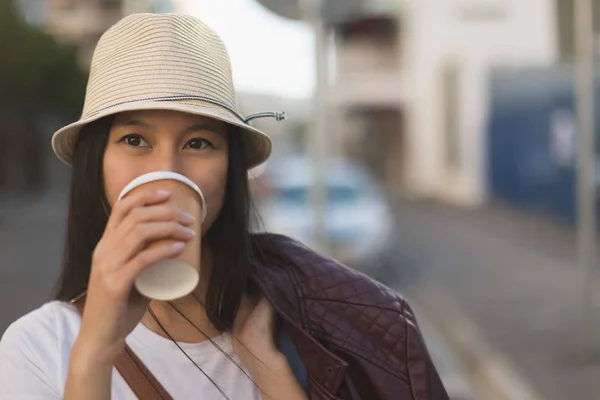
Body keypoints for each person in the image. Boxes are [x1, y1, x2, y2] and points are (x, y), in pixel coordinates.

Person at [0, 13, 448, 400]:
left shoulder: (313, 322)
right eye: (134, 140)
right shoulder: (38, 348)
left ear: (230, 168)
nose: (168, 169)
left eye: (199, 142)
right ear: (95, 166)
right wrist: (97, 347)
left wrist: (275, 378)